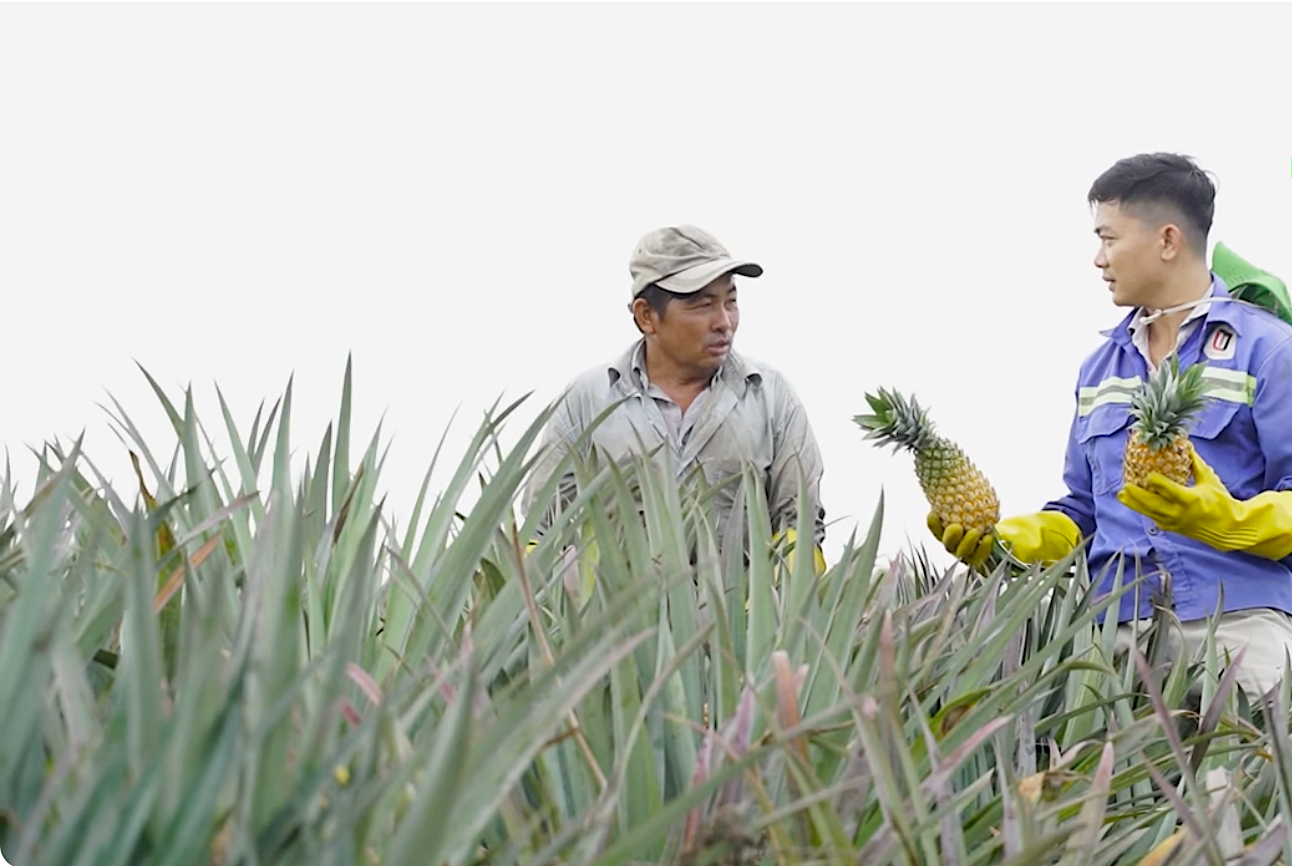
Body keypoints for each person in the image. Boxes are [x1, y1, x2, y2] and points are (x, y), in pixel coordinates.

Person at [930, 152, 1292, 701]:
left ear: (1167, 240)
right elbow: (1082, 510)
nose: (1099, 259)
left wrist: (1230, 521)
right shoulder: (1100, 369)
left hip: (1239, 629)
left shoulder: (1268, 350)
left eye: (1109, 238)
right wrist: (1009, 543)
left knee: (1245, 761)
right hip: (1112, 643)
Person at [522, 224, 827, 576]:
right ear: (646, 316)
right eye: (703, 305)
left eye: (731, 302)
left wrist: (762, 604)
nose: (724, 322)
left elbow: (800, 529)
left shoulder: (771, 399)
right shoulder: (589, 401)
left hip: (739, 610)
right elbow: (540, 531)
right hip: (621, 611)